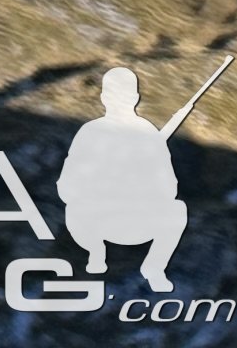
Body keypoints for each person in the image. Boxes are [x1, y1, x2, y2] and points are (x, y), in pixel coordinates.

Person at [61, 67, 187, 291]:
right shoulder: (91, 132)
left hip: (135, 221)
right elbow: (67, 186)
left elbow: (169, 189)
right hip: (98, 220)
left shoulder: (147, 134)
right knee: (74, 208)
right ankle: (96, 252)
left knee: (177, 209)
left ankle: (154, 268)